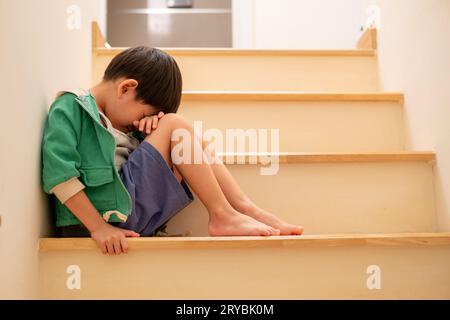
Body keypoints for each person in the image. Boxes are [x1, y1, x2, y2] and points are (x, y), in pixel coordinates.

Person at [41, 46, 303, 255]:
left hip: (129, 213)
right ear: (125, 88)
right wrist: (98, 228)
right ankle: (223, 214)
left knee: (187, 138)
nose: (137, 122)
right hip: (96, 222)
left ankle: (245, 209)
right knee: (176, 126)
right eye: (144, 113)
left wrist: (146, 136)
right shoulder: (70, 107)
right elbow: (58, 174)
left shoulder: (125, 123)